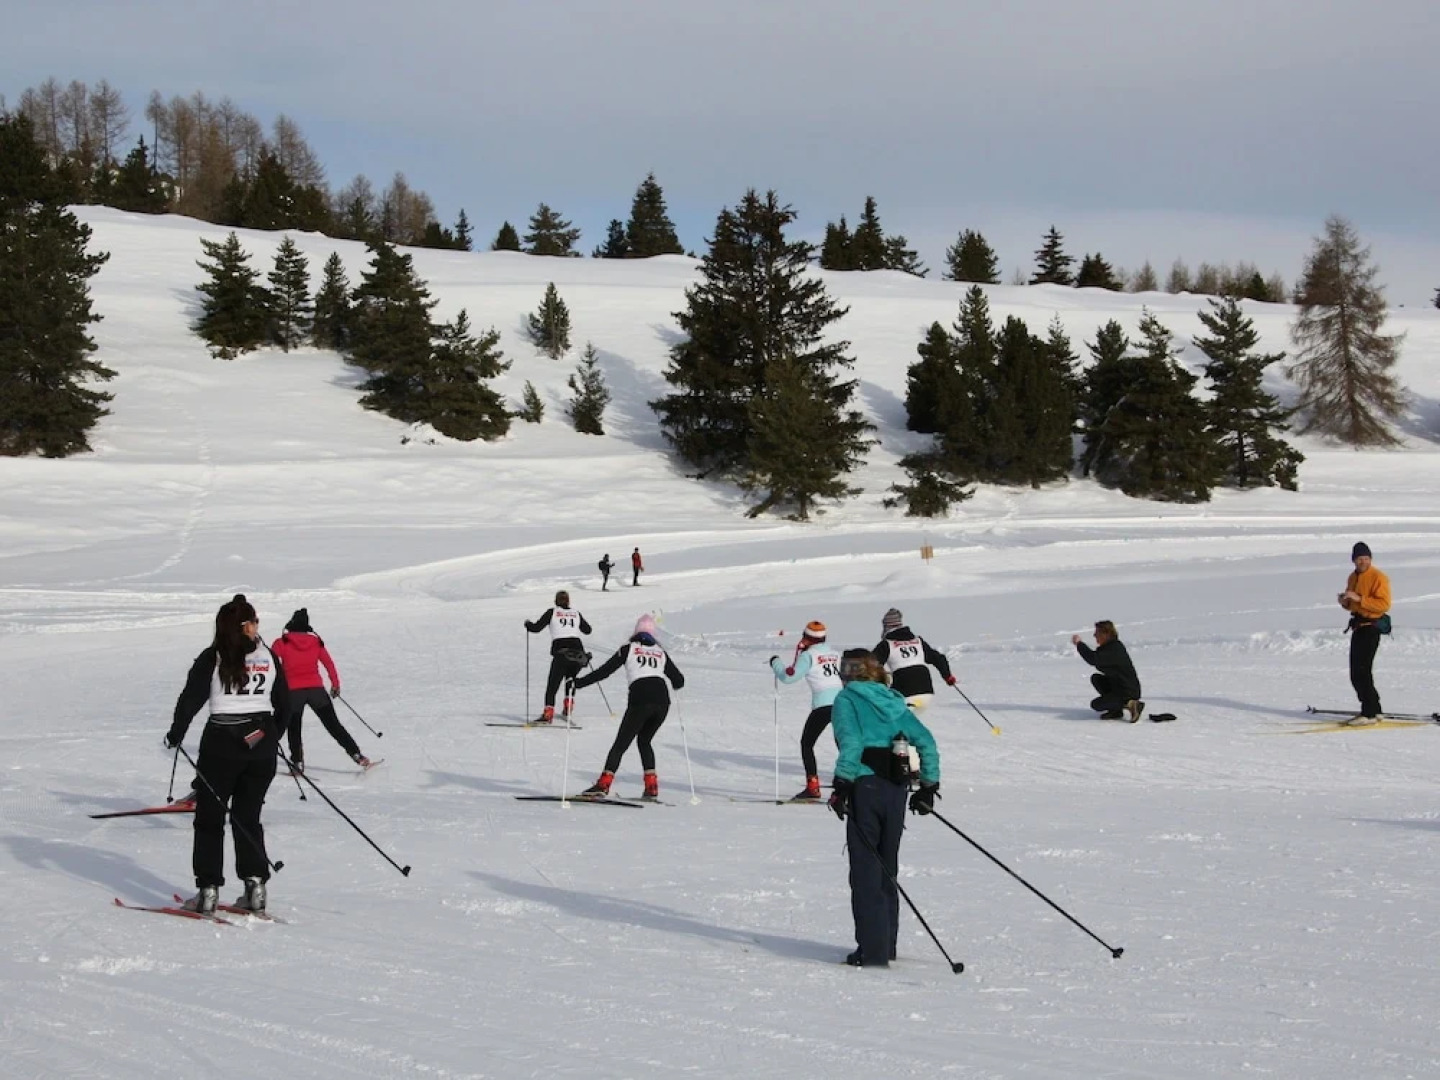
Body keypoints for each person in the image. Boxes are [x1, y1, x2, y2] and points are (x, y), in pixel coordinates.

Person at [164, 595, 290, 915]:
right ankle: (255, 887)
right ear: (245, 626)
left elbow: (190, 698)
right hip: (260, 747)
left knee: (210, 819)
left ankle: (208, 891)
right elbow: (285, 705)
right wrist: (271, 735)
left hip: (220, 744)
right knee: (248, 818)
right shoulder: (268, 656)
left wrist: (176, 733)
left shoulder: (213, 657)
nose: (258, 627)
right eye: (255, 622)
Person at [828, 648, 940, 968]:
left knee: (865, 870)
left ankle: (872, 953)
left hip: (866, 787)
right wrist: (928, 788)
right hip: (896, 790)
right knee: (887, 867)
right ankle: (885, 943)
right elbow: (926, 742)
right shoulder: (894, 700)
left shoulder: (847, 700)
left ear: (848, 673)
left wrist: (842, 785)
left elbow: (851, 743)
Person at [573, 613, 685, 799]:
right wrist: (673, 681)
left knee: (620, 744)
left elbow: (604, 671)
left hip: (641, 700)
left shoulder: (629, 649)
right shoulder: (660, 652)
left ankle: (603, 785)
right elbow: (679, 680)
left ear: (636, 632)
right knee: (644, 741)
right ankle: (651, 787)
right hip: (662, 702)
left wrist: (578, 683)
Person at [270, 608, 371, 772]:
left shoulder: (282, 642)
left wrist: (275, 687)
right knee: (333, 725)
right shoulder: (316, 642)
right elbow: (328, 663)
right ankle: (356, 754)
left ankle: (297, 762)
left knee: (294, 727)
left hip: (293, 691)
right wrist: (335, 684)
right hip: (316, 690)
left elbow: (271, 663)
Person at [770, 620, 843, 800]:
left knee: (807, 744)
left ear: (807, 638)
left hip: (822, 704)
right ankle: (847, 781)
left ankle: (813, 787)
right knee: (843, 744)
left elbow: (789, 677)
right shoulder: (835, 653)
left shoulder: (809, 655)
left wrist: (775, 662)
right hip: (842, 702)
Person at [1338, 541, 1392, 725]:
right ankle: (1375, 710)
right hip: (1358, 626)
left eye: (1366, 558)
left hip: (1372, 627)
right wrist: (1345, 602)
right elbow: (1353, 605)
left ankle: (1368, 713)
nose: (1363, 562)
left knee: (1361, 672)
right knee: (1358, 671)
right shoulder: (1352, 578)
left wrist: (1359, 598)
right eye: (1360, 559)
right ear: (1354, 560)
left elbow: (1384, 605)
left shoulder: (1379, 577)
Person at [524, 591, 593, 724]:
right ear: (568, 601)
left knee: (553, 684)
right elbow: (588, 630)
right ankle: (568, 708)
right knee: (570, 680)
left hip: (562, 653)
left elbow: (536, 628)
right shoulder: (575, 612)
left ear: (556, 601)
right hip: (578, 653)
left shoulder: (552, 612)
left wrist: (528, 624)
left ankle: (548, 714)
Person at [872, 607, 956, 709]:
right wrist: (948, 677)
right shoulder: (918, 641)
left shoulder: (886, 644)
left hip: (904, 691)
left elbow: (870, 664)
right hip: (926, 690)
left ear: (887, 627)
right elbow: (939, 658)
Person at [1072, 621, 1143, 721]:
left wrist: (1079, 644)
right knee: (1097, 678)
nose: (1094, 635)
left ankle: (1131, 703)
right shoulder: (1109, 647)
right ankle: (1116, 710)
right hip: (1119, 687)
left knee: (1096, 705)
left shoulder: (1114, 649)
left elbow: (1093, 659)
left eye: (1097, 633)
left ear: (1106, 634)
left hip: (1128, 691)